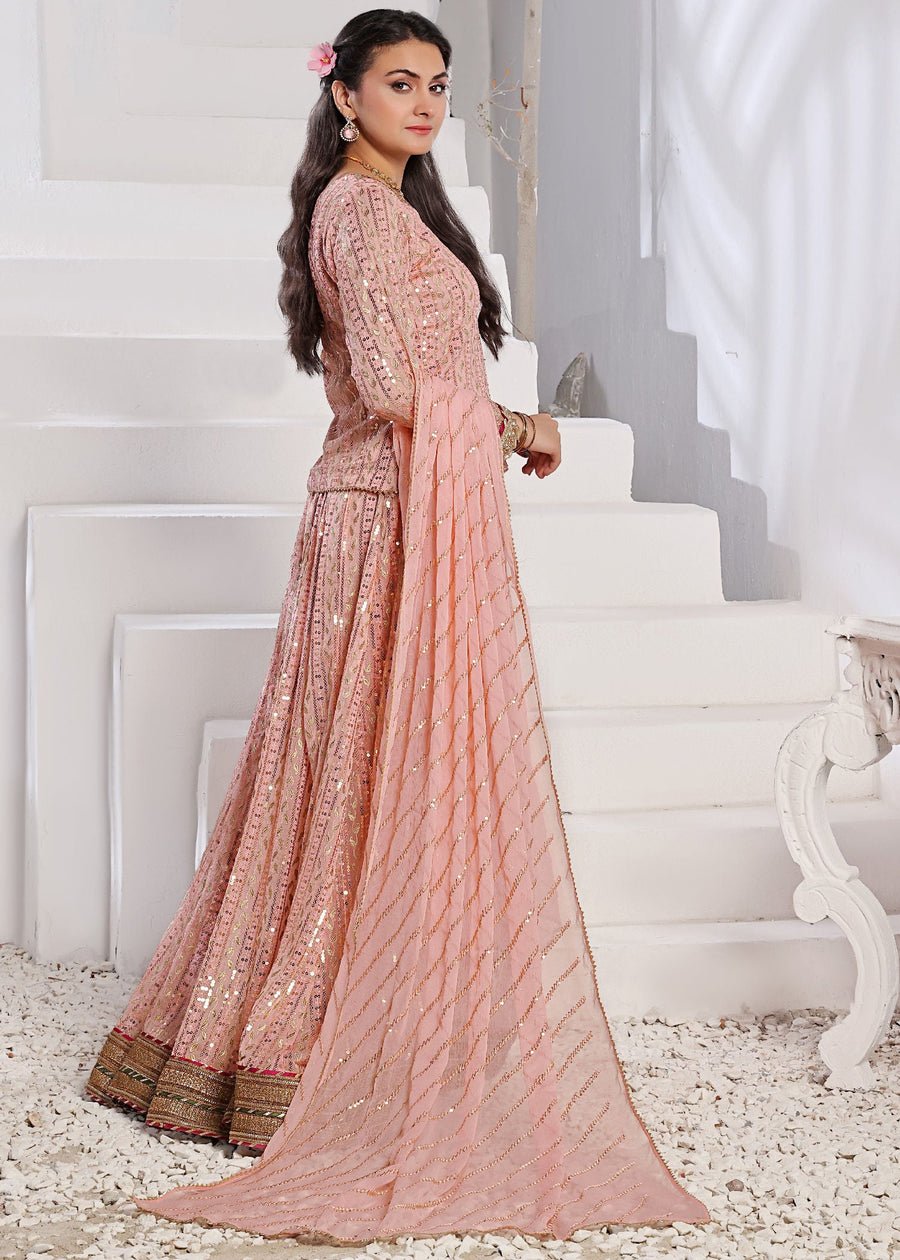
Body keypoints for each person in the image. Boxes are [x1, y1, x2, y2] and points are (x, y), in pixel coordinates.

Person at [85, 8, 711, 1245]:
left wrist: (495, 424)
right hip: (379, 522)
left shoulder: (396, 208)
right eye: (401, 83)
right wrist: (519, 426)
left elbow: (420, 376)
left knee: (368, 774)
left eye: (437, 85)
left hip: (400, 510)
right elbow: (387, 383)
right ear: (345, 97)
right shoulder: (358, 213)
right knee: (349, 776)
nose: (425, 104)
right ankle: (297, 1051)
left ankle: (322, 1035)